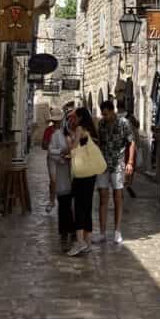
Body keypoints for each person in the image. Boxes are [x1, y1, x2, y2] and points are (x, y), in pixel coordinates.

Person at [95, 100, 135, 245]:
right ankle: (102, 233)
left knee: (118, 197)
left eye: (106, 114)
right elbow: (100, 143)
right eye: (103, 114)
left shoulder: (124, 123)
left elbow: (131, 142)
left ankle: (117, 231)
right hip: (103, 165)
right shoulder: (101, 125)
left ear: (113, 111)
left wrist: (130, 162)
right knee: (102, 197)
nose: (104, 117)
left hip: (118, 164)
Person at [67, 107, 100, 257]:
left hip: (81, 173)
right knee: (87, 206)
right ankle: (88, 242)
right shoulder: (92, 130)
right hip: (91, 173)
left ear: (80, 117)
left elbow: (73, 149)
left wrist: (71, 140)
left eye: (75, 116)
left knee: (78, 206)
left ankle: (79, 242)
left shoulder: (80, 129)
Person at [48, 111, 74, 250]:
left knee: (74, 207)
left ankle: (75, 233)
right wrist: (62, 154)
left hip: (77, 175)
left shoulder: (78, 135)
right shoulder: (56, 135)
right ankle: (64, 233)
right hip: (64, 175)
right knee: (64, 206)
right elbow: (51, 151)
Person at [43, 108, 63, 213]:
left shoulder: (65, 130)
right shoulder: (48, 130)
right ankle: (52, 201)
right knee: (53, 181)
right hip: (52, 159)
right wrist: (51, 146)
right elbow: (44, 145)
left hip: (64, 159)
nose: (56, 122)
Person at [125, 113, 140, 199]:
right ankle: (129, 184)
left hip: (126, 150)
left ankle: (126, 182)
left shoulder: (125, 128)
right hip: (132, 151)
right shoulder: (135, 129)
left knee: (125, 166)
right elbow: (137, 141)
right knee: (131, 168)